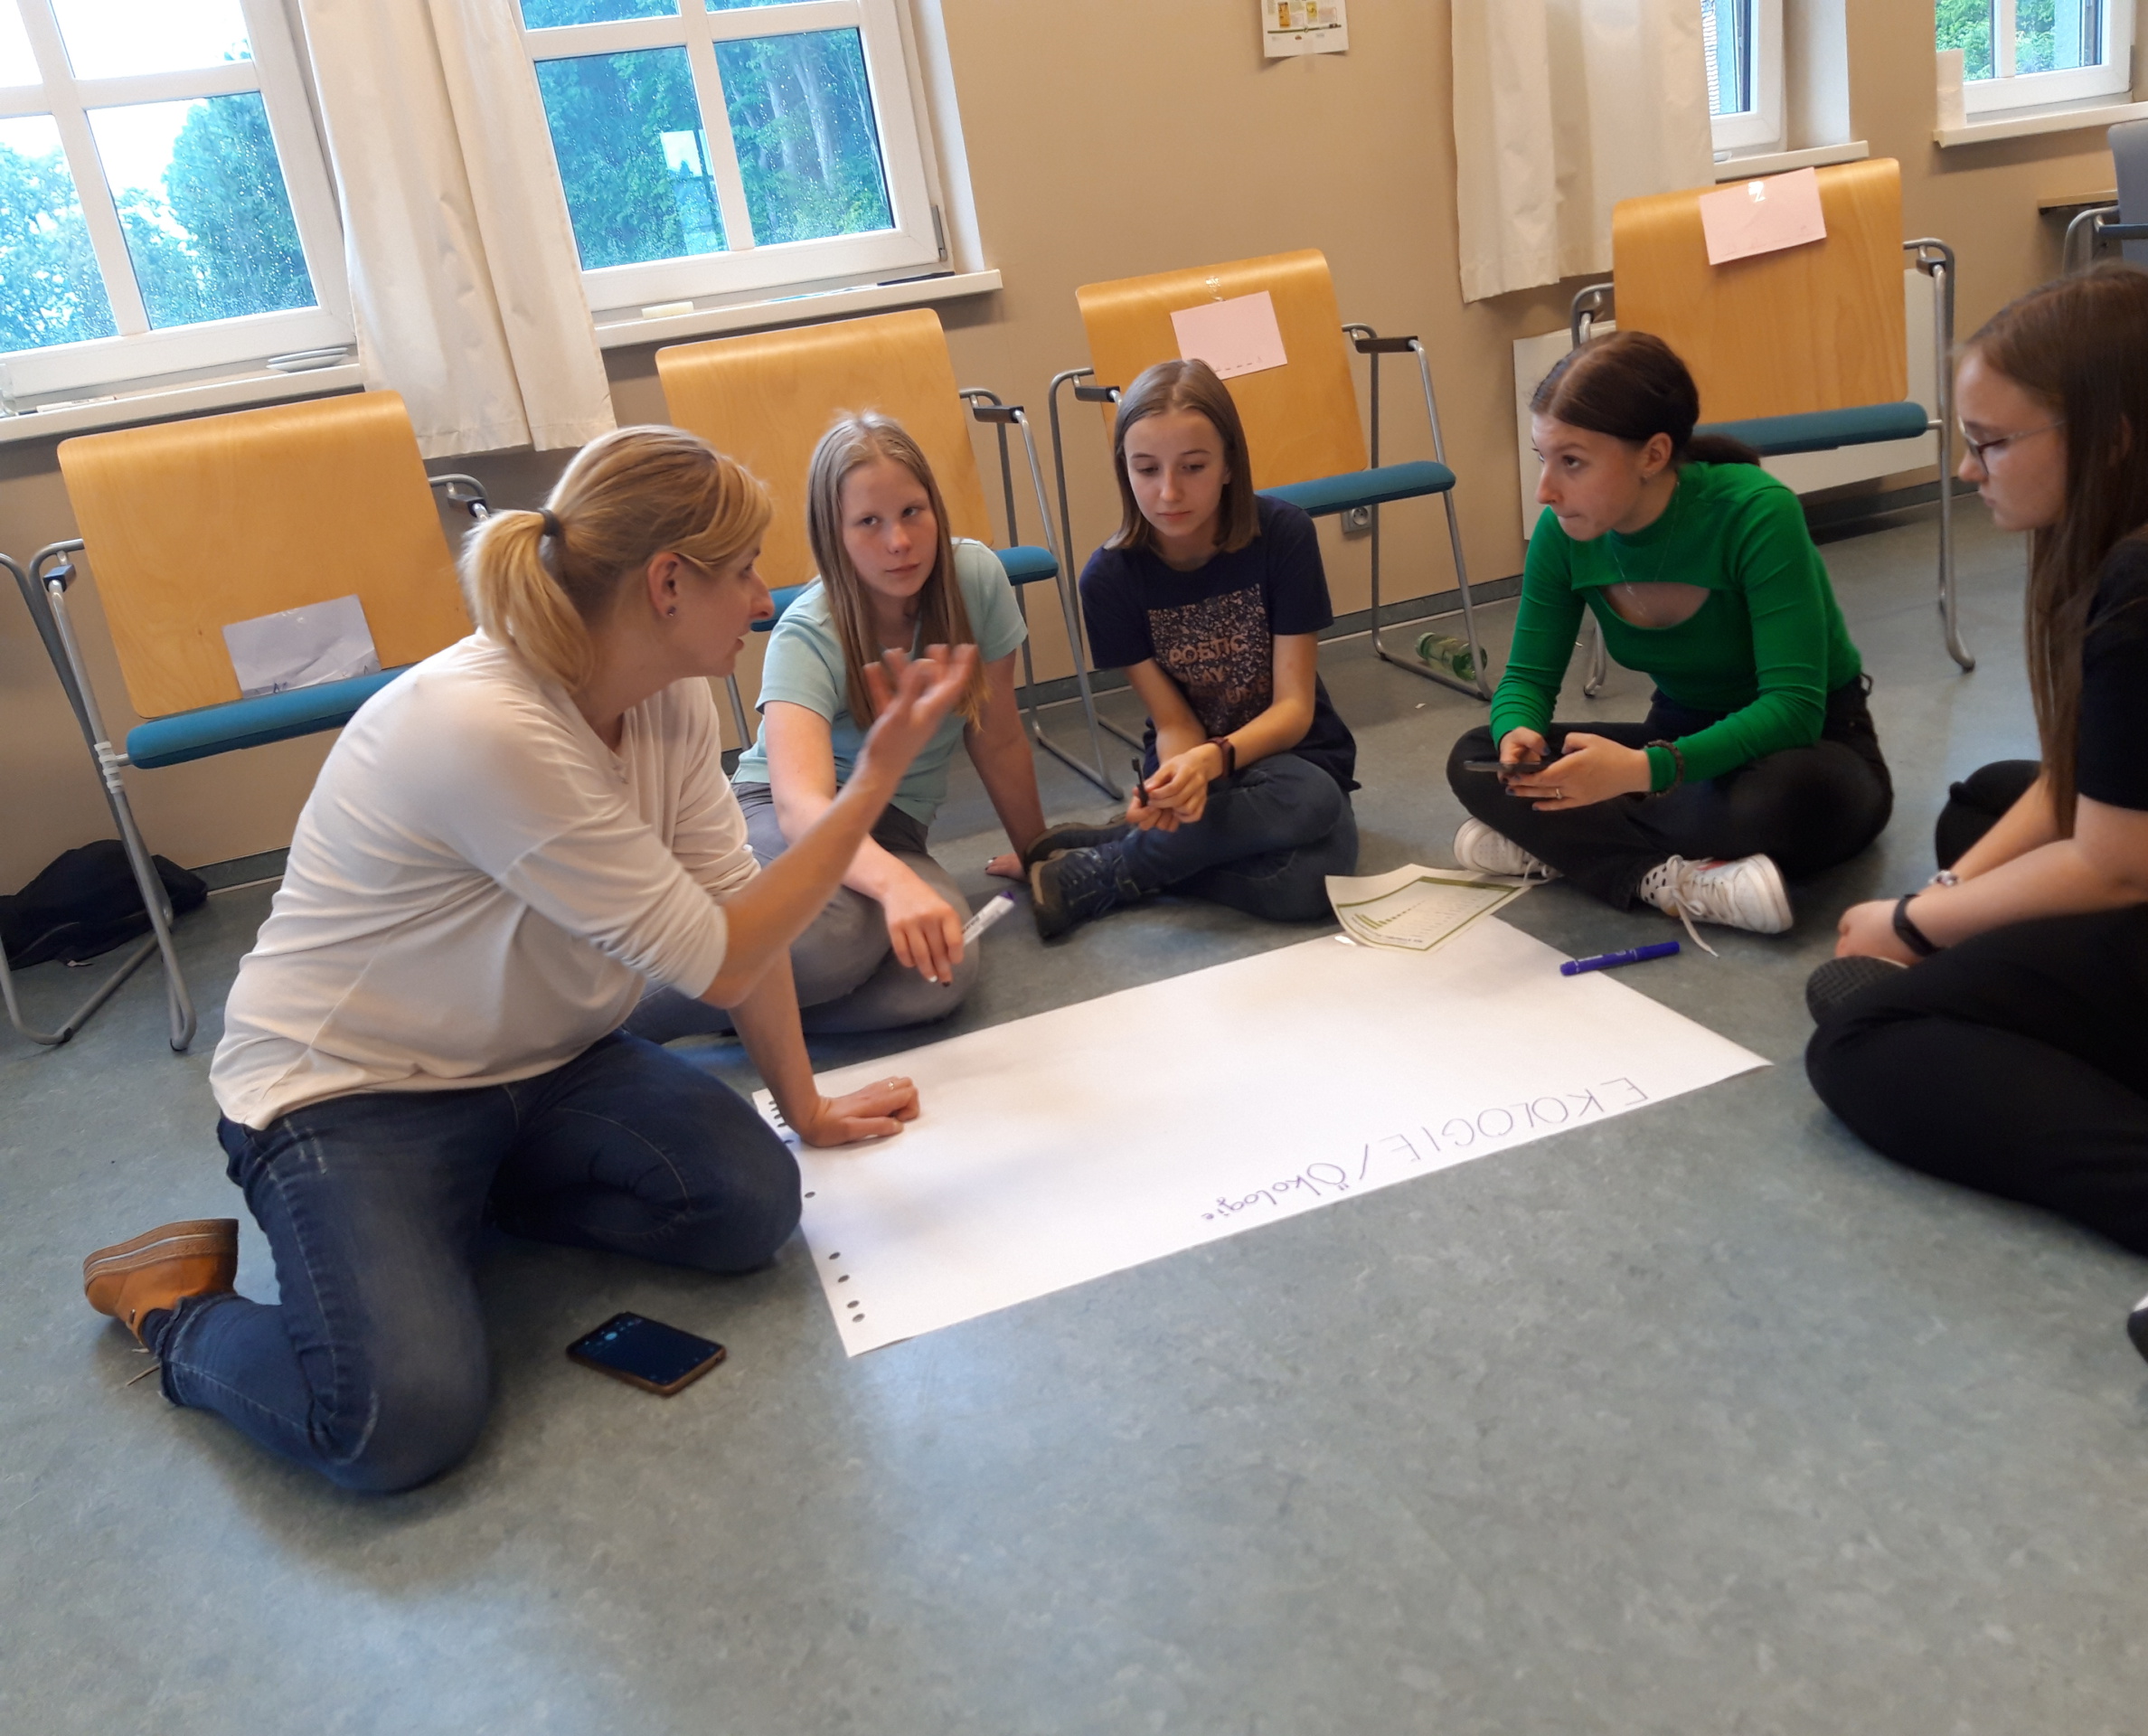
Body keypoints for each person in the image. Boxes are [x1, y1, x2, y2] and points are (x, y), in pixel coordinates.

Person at [79, 426, 977, 1492]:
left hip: (547, 1061)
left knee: (749, 1205)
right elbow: (724, 964)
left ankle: (458, 1212)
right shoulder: (485, 725)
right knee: (395, 1424)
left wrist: (806, 1108)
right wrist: (868, 785)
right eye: (741, 572)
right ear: (667, 584)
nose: (758, 599)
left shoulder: (670, 695)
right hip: (349, 1092)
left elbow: (741, 912)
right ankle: (175, 1307)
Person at [1805, 264, 2148, 1386]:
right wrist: (1939, 905)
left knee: (1869, 1040)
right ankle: (1989, 993)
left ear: (2111, 437)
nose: (1965, 469)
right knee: (1980, 805)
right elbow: (2076, 778)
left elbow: (2127, 866)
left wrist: (1913, 932)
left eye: (1990, 444)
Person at [1444, 331, 1892, 943]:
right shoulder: (1562, 534)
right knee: (1474, 756)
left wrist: (1642, 771)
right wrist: (1515, 733)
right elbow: (1526, 680)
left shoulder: (1756, 513)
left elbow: (1793, 709)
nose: (1546, 489)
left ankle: (1566, 847)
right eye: (1541, 457)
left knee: (1772, 802)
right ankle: (1665, 878)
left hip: (1811, 746)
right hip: (1678, 741)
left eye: (1572, 461)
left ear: (1653, 455)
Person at [628, 413, 1048, 1040]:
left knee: (944, 964)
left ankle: (752, 1011)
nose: (899, 541)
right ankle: (618, 1018)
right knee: (837, 937)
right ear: (835, 535)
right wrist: (896, 886)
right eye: (869, 523)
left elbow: (999, 735)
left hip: (895, 827)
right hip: (781, 813)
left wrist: (1038, 855)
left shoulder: (976, 579)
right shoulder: (807, 630)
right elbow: (802, 807)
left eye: (912, 512)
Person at [1032, 357, 1359, 937]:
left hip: (1288, 757)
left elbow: (1293, 710)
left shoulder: (1284, 536)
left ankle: (1118, 860)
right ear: (1124, 469)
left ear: (1229, 463)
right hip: (1189, 757)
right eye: (1146, 469)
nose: (1168, 491)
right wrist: (1185, 777)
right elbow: (1174, 720)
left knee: (1312, 832)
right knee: (1301, 867)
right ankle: (1157, 847)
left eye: (1193, 466)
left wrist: (1214, 760)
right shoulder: (1107, 580)